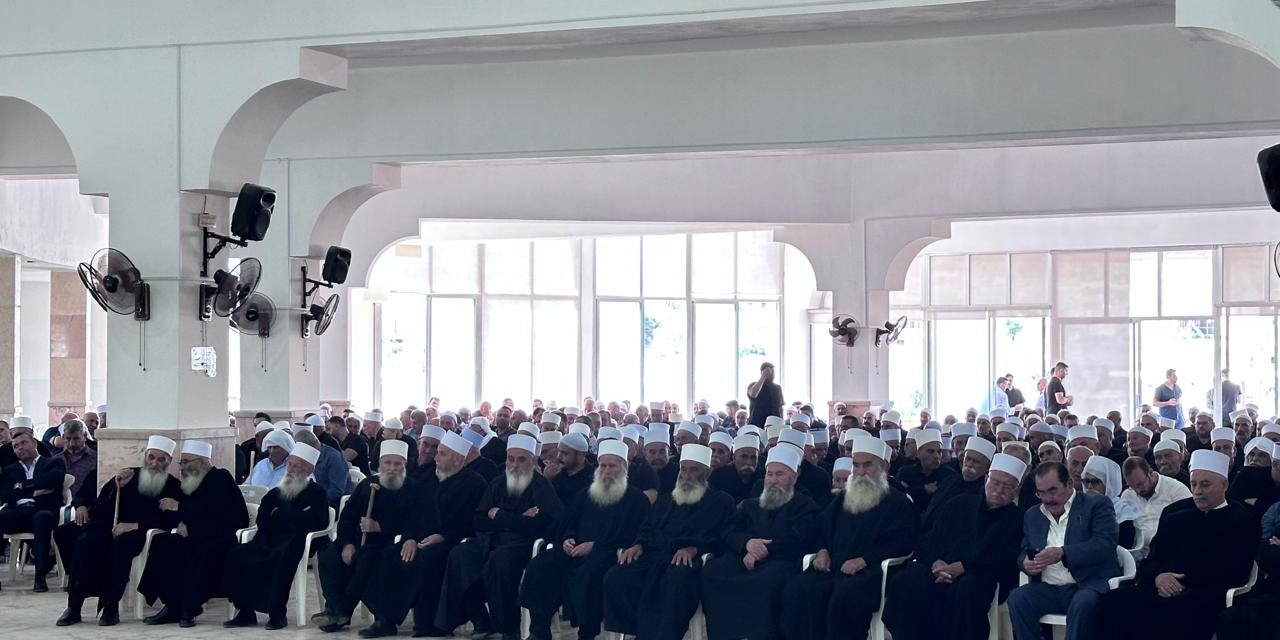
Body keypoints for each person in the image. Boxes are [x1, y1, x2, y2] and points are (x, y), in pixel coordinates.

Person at [1096, 450, 1259, 640]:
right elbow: (1152, 560)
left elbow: (1237, 572)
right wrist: (1159, 577)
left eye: (1205, 485)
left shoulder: (1242, 520)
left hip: (1204, 593)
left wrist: (1182, 583)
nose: (1198, 491)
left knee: (1171, 614)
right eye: (1194, 484)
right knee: (1111, 602)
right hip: (1160, 587)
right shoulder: (1174, 514)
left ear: (1224, 484)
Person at [780, 438, 917, 640]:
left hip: (872, 571)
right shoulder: (844, 497)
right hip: (834, 566)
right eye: (856, 465)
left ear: (883, 467)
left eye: (867, 465)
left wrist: (864, 560)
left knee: (844, 596)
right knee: (798, 588)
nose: (860, 472)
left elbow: (902, 543)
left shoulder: (898, 503)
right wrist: (822, 551)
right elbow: (821, 528)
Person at [883, 453, 1026, 640]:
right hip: (939, 568)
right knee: (906, 581)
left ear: (1017, 489)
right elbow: (928, 540)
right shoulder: (959, 504)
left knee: (965, 591)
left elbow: (1006, 557)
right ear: (986, 479)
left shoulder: (1017, 518)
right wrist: (935, 563)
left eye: (1007, 487)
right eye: (996, 483)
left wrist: (964, 567)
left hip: (978, 573)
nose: (999, 490)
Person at [520, 440, 650, 640]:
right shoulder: (585, 494)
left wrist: (595, 545)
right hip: (575, 551)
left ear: (624, 468)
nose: (607, 471)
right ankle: (539, 631)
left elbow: (634, 534)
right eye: (603, 465)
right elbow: (568, 522)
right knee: (540, 567)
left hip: (609, 553)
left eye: (612, 466)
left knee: (588, 575)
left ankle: (586, 634)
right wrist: (567, 539)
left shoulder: (636, 499)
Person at [603, 444, 735, 640]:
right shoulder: (666, 499)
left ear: (707, 473)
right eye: (684, 469)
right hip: (655, 555)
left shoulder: (721, 502)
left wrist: (695, 549)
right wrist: (638, 544)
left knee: (675, 581)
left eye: (694, 470)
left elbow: (724, 537)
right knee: (616, 576)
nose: (687, 475)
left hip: (689, 561)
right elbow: (647, 527)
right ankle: (636, 631)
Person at [436, 434, 562, 640]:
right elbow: (478, 519)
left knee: (500, 561)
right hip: (490, 540)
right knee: (460, 555)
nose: (515, 465)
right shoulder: (497, 483)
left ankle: (508, 627)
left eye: (521, 459)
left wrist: (499, 515)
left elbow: (542, 525)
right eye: (510, 459)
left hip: (522, 545)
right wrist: (516, 518)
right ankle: (480, 620)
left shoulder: (541, 487)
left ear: (532, 461)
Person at [58, 435, 183, 627]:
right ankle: (74, 606)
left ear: (169, 461)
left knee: (121, 544)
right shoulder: (128, 475)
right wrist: (116, 487)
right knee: (84, 542)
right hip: (112, 527)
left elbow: (170, 520)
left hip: (141, 533)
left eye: (161, 460)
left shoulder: (172, 485)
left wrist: (134, 526)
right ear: (145, 456)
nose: (154, 463)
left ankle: (111, 605)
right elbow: (101, 506)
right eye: (151, 457)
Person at [313, 439, 433, 634]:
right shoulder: (367, 485)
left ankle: (346, 612)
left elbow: (417, 523)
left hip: (388, 543)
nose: (392, 469)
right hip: (358, 541)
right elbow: (347, 518)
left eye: (397, 464)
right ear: (380, 464)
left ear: (404, 465)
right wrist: (347, 544)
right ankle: (334, 607)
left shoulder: (414, 489)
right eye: (388, 463)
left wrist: (380, 527)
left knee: (368, 559)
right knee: (328, 554)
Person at [701, 445, 816, 640]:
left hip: (783, 560)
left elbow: (799, 538)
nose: (773, 480)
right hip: (744, 556)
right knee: (713, 571)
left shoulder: (804, 505)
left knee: (767, 580)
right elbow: (728, 530)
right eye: (770, 474)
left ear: (795, 477)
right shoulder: (751, 504)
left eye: (780, 474)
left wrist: (761, 550)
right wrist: (747, 543)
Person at [138, 440, 248, 627]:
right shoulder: (192, 482)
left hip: (221, 536)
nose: (181, 467)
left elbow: (213, 510)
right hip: (196, 534)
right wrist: (183, 521)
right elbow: (192, 511)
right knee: (163, 544)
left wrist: (179, 508)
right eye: (181, 462)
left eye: (185, 462)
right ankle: (172, 605)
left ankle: (189, 608)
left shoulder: (220, 477)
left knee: (196, 553)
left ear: (202, 462)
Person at [224, 443, 331, 630]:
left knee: (281, 558)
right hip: (268, 538)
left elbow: (317, 521)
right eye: (290, 464)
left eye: (297, 466)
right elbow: (263, 518)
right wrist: (294, 515)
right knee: (237, 554)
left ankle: (277, 614)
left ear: (309, 470)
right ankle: (245, 612)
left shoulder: (317, 493)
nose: (290, 470)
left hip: (296, 540)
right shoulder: (275, 492)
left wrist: (280, 514)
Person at [1006, 461, 1119, 640]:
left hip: (1087, 584)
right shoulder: (1033, 515)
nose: (1047, 499)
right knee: (1018, 598)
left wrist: (1063, 552)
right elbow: (1024, 550)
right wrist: (1025, 563)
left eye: (1052, 491)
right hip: (1050, 589)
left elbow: (1105, 543)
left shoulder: (1095, 504)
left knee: (1083, 602)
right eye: (1041, 493)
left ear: (1069, 483)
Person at [0, 426, 67, 593]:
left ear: (35, 443)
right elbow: (5, 494)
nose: (20, 448)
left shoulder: (53, 463)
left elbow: (53, 480)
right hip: (19, 511)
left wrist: (21, 486)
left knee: (41, 519)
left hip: (44, 510)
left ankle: (40, 576)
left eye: (23, 443)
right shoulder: (10, 470)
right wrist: (36, 489)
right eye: (16, 446)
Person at [1119, 456, 1191, 562]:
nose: (1138, 490)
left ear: (1150, 472)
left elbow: (1189, 528)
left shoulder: (1176, 490)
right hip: (1139, 556)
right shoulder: (1128, 495)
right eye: (1132, 486)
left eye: (1140, 484)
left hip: (1173, 553)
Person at [920, 437, 995, 530]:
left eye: (976, 462)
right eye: (968, 459)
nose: (970, 464)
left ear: (987, 467)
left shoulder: (985, 492)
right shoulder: (950, 480)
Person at [1079, 456, 1141, 551]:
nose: (1089, 487)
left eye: (1095, 482)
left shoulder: (1122, 511)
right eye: (1086, 481)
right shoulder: (1078, 507)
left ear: (1109, 484)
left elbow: (1123, 545)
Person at [896, 429, 956, 515]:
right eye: (930, 451)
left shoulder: (949, 476)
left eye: (939, 452)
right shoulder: (906, 473)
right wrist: (923, 490)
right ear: (918, 453)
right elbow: (899, 497)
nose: (936, 456)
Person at [708, 434, 762, 505]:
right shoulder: (717, 477)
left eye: (753, 457)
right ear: (734, 457)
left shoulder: (762, 477)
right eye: (744, 457)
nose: (749, 462)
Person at [747, 362, 784, 428]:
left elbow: (780, 407)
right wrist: (763, 376)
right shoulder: (754, 385)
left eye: (773, 372)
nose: (771, 374)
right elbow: (753, 394)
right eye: (768, 372)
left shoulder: (777, 388)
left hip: (774, 424)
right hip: (757, 423)